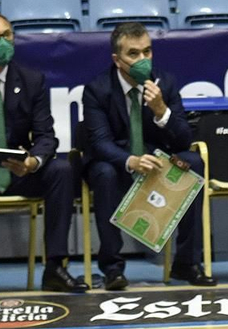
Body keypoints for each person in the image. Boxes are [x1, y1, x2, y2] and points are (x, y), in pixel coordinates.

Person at [82, 23, 214, 290]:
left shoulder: (165, 82)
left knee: (193, 162)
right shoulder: (98, 89)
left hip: (157, 160)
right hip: (118, 162)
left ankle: (187, 263)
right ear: (117, 60)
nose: (143, 60)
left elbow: (183, 140)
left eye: (147, 52)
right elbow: (99, 143)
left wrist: (161, 110)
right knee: (104, 172)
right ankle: (112, 268)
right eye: (133, 54)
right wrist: (130, 161)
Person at [0, 13, 86, 296]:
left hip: (19, 172)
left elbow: (46, 136)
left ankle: (55, 267)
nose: (3, 42)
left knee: (61, 170)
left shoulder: (31, 80)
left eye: (7, 35)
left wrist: (32, 161)